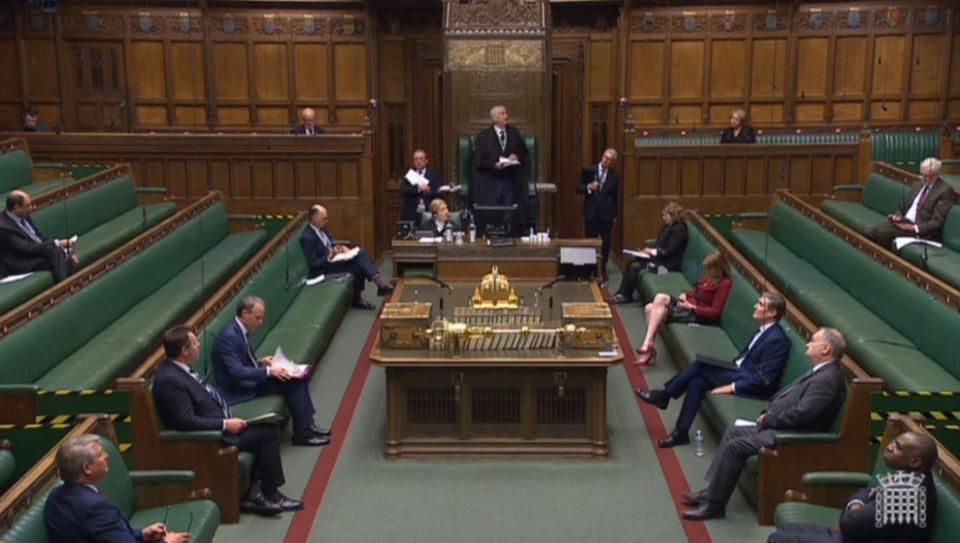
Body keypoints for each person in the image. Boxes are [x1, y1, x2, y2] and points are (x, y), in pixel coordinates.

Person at [680, 327, 848, 520]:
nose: (808, 343)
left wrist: (769, 419)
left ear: (825, 349)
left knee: (736, 446)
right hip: (783, 426)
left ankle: (715, 506)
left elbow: (804, 415)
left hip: (793, 436)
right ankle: (711, 493)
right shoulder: (823, 372)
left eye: (813, 341)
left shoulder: (827, 379)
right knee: (732, 432)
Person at [153, 325, 302, 517]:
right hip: (208, 439)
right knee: (268, 433)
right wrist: (224, 425)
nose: (199, 345)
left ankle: (256, 494)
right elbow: (185, 421)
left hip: (221, 424)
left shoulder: (179, 368)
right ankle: (271, 494)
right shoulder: (170, 380)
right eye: (195, 342)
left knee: (267, 426)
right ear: (184, 351)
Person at [636, 292, 790, 448]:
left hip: (749, 383)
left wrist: (731, 387)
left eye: (761, 304)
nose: (755, 306)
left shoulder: (777, 339)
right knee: (698, 381)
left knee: (699, 366)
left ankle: (664, 395)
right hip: (738, 370)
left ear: (772, 313)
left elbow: (764, 380)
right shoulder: (764, 330)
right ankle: (681, 432)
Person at [767, 430, 938, 542]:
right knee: (786, 528)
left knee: (779, 540)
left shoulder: (908, 493)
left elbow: (849, 523)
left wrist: (858, 506)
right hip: (862, 534)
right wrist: (858, 504)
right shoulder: (907, 476)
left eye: (898, 448)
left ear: (914, 461)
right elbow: (866, 492)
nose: (890, 447)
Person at [213, 296, 330, 447]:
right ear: (244, 314)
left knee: (297, 378)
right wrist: (268, 371)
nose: (260, 322)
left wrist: (260, 361)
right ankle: (303, 434)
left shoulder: (240, 329)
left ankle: (308, 425)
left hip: (251, 377)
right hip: (240, 388)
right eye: (258, 318)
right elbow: (236, 372)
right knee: (292, 383)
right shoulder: (228, 337)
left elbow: (243, 358)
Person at [44, 433, 190, 543]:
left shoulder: (55, 496)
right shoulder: (95, 508)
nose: (107, 456)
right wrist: (168, 541)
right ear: (87, 468)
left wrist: (143, 534)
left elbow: (106, 535)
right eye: (101, 454)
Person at [634, 251, 733, 365]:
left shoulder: (725, 284)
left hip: (697, 314)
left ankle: (648, 347)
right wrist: (686, 295)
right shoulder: (709, 276)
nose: (708, 272)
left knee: (650, 309)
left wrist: (692, 307)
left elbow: (715, 311)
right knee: (656, 301)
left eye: (710, 269)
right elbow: (696, 290)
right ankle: (649, 343)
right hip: (688, 305)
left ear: (719, 268)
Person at [300, 204, 394, 310]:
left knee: (360, 258)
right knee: (360, 259)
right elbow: (313, 265)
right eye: (324, 218)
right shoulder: (307, 237)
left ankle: (361, 297)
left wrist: (340, 248)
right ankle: (378, 285)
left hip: (334, 260)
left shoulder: (323, 228)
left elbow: (329, 244)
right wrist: (330, 255)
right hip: (323, 270)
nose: (326, 221)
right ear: (315, 219)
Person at [865, 157, 956, 249]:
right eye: (924, 175)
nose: (926, 179)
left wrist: (914, 228)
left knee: (883, 233)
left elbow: (937, 221)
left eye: (930, 176)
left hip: (920, 231)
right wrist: (898, 216)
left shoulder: (944, 191)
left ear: (937, 175)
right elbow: (903, 207)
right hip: (904, 222)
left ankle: (884, 260)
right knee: (870, 231)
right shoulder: (917, 185)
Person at [609, 201, 688, 304]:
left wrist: (652, 251)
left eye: (665, 215)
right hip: (660, 258)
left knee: (634, 266)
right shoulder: (667, 227)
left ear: (673, 215)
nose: (663, 218)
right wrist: (647, 250)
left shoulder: (680, 230)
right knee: (632, 262)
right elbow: (658, 243)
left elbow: (668, 251)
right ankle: (623, 294)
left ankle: (625, 295)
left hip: (668, 263)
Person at [472, 105, 530, 227]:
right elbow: (478, 161)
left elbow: (524, 152)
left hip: (511, 179)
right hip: (491, 181)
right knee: (493, 214)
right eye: (503, 114)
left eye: (506, 113)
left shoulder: (514, 132)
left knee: (509, 213)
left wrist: (516, 156)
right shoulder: (483, 136)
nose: (506, 116)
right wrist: (494, 165)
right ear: (495, 118)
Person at [0, 190, 76, 282]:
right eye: (27, 206)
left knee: (60, 256)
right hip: (21, 263)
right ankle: (67, 287)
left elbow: (39, 236)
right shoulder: (4, 227)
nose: (31, 208)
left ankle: (67, 286)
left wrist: (59, 248)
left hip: (35, 255)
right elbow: (27, 248)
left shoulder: (24, 215)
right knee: (61, 257)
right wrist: (58, 244)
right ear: (17, 208)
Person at [577, 148, 619, 280]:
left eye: (610, 160)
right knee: (590, 241)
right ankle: (590, 269)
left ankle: (602, 269)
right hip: (591, 212)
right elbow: (578, 187)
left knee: (605, 243)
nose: (606, 161)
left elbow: (616, 197)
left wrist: (615, 215)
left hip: (606, 214)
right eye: (605, 158)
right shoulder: (589, 170)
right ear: (602, 156)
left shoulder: (614, 176)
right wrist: (589, 187)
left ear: (613, 162)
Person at [400, 149, 443, 223]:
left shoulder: (434, 175)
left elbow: (439, 191)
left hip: (429, 211)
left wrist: (428, 190)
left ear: (426, 161)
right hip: (412, 213)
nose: (418, 161)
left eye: (421, 159)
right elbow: (403, 191)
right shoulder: (409, 175)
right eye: (416, 159)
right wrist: (418, 188)